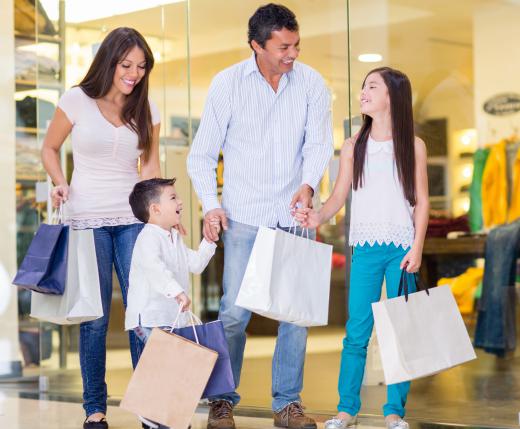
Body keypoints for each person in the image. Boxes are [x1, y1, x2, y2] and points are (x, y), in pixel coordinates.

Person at [187, 4, 333, 429]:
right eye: (283, 47)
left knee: (295, 314)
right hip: (243, 216)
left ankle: (287, 405)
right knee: (233, 315)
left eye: (296, 45)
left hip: (293, 217)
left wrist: (308, 184)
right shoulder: (228, 84)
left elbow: (320, 145)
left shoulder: (311, 83)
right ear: (257, 45)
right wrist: (210, 204)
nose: (292, 54)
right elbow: (200, 156)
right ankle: (222, 401)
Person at [294, 67, 429, 429]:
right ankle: (346, 410)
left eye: (372, 86)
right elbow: (339, 195)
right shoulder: (354, 145)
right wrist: (317, 216)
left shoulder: (413, 146)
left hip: (401, 250)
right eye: (363, 87)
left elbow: (422, 203)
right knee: (357, 332)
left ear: (392, 96)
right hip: (365, 249)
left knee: (400, 331)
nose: (363, 93)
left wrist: (417, 247)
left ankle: (394, 412)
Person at [41, 27, 161, 429]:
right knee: (94, 316)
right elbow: (49, 147)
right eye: (126, 65)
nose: (134, 73)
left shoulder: (147, 108)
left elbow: (151, 168)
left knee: (140, 311)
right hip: (86, 216)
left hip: (132, 219)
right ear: (108, 61)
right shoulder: (77, 99)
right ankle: (95, 408)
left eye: (141, 67)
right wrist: (60, 182)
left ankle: (150, 406)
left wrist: (161, 216)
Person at [126, 177, 216, 429]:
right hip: (149, 317)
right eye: (173, 198)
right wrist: (177, 292)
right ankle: (152, 415)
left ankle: (167, 418)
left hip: (169, 317)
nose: (180, 202)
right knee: (165, 368)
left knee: (172, 369)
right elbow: (155, 270)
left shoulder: (173, 238)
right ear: (155, 209)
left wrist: (209, 241)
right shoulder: (148, 238)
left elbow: (196, 265)